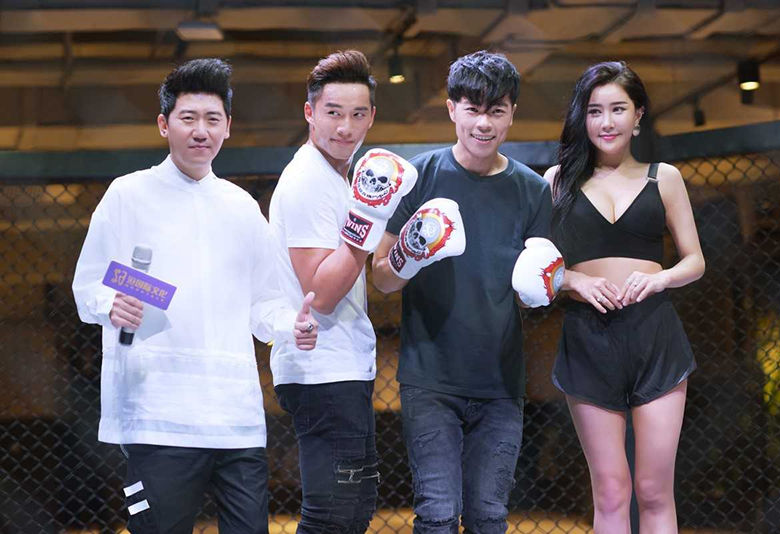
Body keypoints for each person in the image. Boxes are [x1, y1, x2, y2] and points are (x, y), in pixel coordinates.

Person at [72, 58, 318, 534]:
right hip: (156, 416)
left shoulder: (241, 207)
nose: (200, 131)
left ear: (228, 127)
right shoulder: (127, 195)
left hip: (235, 417)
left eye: (212, 119)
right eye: (188, 118)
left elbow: (264, 303)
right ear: (164, 124)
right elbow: (88, 285)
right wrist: (110, 303)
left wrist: (292, 326)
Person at [371, 50, 553, 533]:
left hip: (500, 381)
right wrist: (410, 252)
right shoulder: (419, 177)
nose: (483, 123)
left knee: (489, 517)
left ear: (512, 113)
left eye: (496, 110)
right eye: (472, 109)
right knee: (436, 514)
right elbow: (381, 278)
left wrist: (546, 284)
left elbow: (533, 290)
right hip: (430, 377)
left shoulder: (532, 191)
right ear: (452, 108)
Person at [546, 61, 705, 534]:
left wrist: (660, 279)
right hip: (587, 339)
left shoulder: (664, 178)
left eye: (618, 109)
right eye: (594, 111)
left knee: (654, 490)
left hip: (655, 337)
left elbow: (695, 260)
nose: (606, 121)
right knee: (611, 490)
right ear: (582, 117)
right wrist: (574, 280)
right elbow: (535, 267)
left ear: (638, 116)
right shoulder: (558, 180)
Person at [268, 50, 416, 533]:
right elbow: (322, 293)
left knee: (351, 512)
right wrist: (368, 219)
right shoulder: (308, 181)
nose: (345, 127)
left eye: (357, 114)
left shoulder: (337, 177)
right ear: (310, 113)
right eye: (333, 112)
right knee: (333, 516)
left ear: (372, 116)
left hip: (339, 367)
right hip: (321, 369)